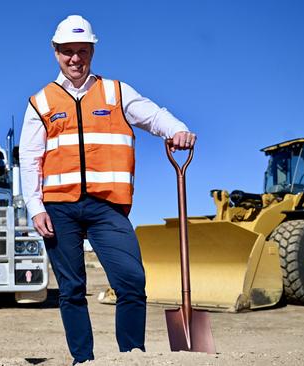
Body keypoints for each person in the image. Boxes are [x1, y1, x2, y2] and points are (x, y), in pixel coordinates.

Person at [19, 15, 196, 364]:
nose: (75, 59)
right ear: (55, 52)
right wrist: (35, 206)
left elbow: (153, 115)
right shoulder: (41, 102)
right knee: (72, 289)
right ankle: (82, 360)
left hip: (107, 208)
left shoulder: (116, 92)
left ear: (92, 51)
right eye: (67, 51)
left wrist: (177, 129)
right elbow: (29, 158)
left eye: (81, 51)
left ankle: (131, 357)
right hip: (59, 208)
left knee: (131, 281)